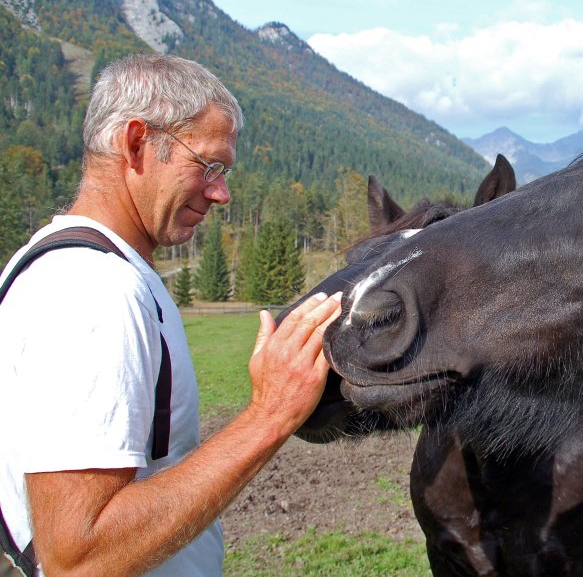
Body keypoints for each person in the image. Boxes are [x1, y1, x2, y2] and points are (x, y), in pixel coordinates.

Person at [0, 54, 341, 576]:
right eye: (208, 166)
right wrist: (269, 415)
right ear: (136, 144)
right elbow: (78, 556)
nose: (221, 193)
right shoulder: (91, 291)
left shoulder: (75, 265)